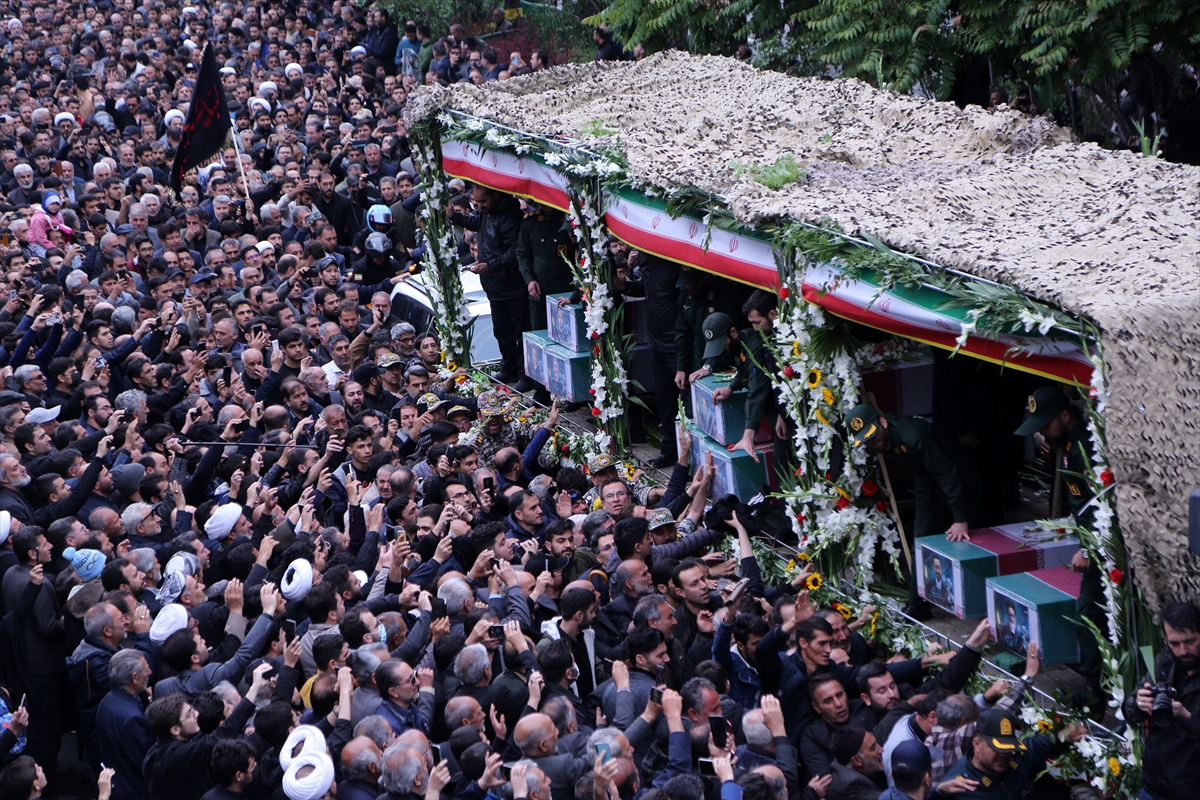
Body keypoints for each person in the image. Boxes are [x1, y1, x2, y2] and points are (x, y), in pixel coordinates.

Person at [1015, 386, 1105, 706]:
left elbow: (1101, 507)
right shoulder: (1066, 443)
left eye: (1045, 425)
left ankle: (1098, 690)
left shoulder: (1084, 449)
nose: (1041, 432)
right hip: (1092, 541)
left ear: (1065, 416)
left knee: (1089, 612)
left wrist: (1090, 549)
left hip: (1104, 546)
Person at [846, 403, 977, 619]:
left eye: (873, 436)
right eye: (866, 441)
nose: (873, 443)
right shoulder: (881, 440)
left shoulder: (914, 436)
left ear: (883, 423)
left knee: (969, 533)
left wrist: (960, 518)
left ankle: (975, 601)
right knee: (921, 537)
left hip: (956, 473)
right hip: (925, 477)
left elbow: (947, 474)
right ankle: (918, 604)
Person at [1123, 601, 1200, 800]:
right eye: (1175, 643)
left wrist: (1186, 717)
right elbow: (1130, 710)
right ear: (1165, 640)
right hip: (1153, 785)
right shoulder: (1166, 661)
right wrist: (1139, 704)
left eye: (1190, 641)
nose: (1183, 651)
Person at [930, 709, 1086, 799]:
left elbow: (1034, 746)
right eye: (998, 749)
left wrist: (1062, 737)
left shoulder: (1014, 758)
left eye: (1009, 748)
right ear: (977, 744)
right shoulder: (959, 787)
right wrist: (938, 794)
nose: (1004, 755)